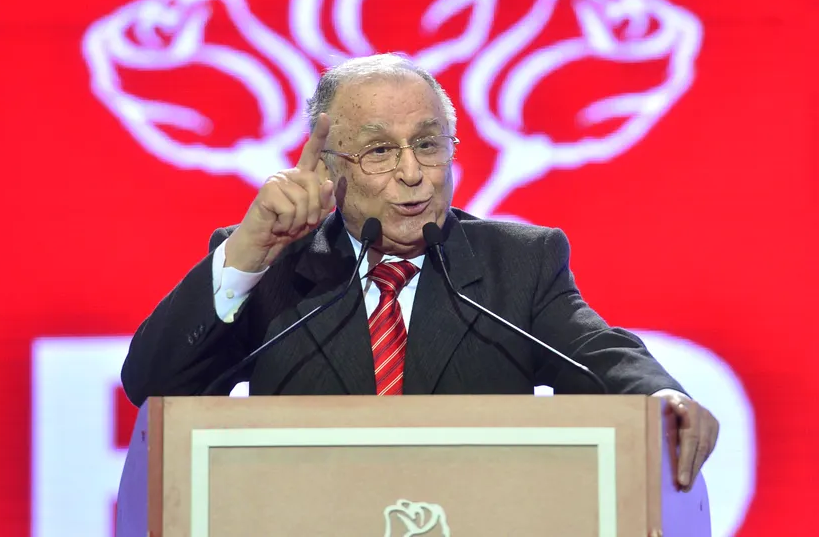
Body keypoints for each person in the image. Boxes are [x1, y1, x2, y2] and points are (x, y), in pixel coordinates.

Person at [120, 52, 719, 491]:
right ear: (328, 166)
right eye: (380, 151)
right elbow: (154, 384)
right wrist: (250, 249)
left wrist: (658, 397)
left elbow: (597, 352)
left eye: (429, 145)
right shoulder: (275, 263)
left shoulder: (517, 262)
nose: (413, 174)